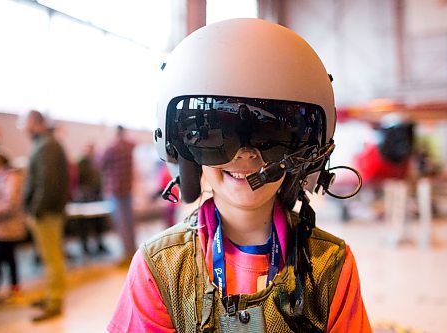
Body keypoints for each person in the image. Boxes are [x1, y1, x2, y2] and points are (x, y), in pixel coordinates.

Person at [108, 19, 371, 332]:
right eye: (220, 136)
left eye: (270, 137)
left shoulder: (330, 266)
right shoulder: (159, 268)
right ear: (183, 147)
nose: (245, 155)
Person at [22, 110, 69, 322]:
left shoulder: (47, 145)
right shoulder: (45, 143)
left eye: (27, 123)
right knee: (48, 258)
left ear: (37, 123)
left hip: (47, 212)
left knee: (52, 259)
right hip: (45, 211)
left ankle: (55, 302)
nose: (24, 128)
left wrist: (36, 210)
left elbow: (46, 183)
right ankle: (51, 295)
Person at [0, 154, 26, 305]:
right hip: (3, 226)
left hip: (6, 226)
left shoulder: (11, 177)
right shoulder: (3, 177)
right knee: (9, 258)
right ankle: (15, 288)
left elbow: (10, 202)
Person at [99, 125, 135, 267]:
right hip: (127, 189)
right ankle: (132, 251)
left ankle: (127, 255)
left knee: (121, 224)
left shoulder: (111, 148)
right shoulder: (130, 145)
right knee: (129, 224)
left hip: (115, 190)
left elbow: (98, 163)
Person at [74, 143, 109, 256]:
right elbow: (77, 179)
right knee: (83, 224)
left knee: (98, 222)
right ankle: (85, 247)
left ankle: (99, 244)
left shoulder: (96, 161)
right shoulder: (80, 163)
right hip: (84, 197)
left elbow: (99, 177)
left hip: (96, 196)